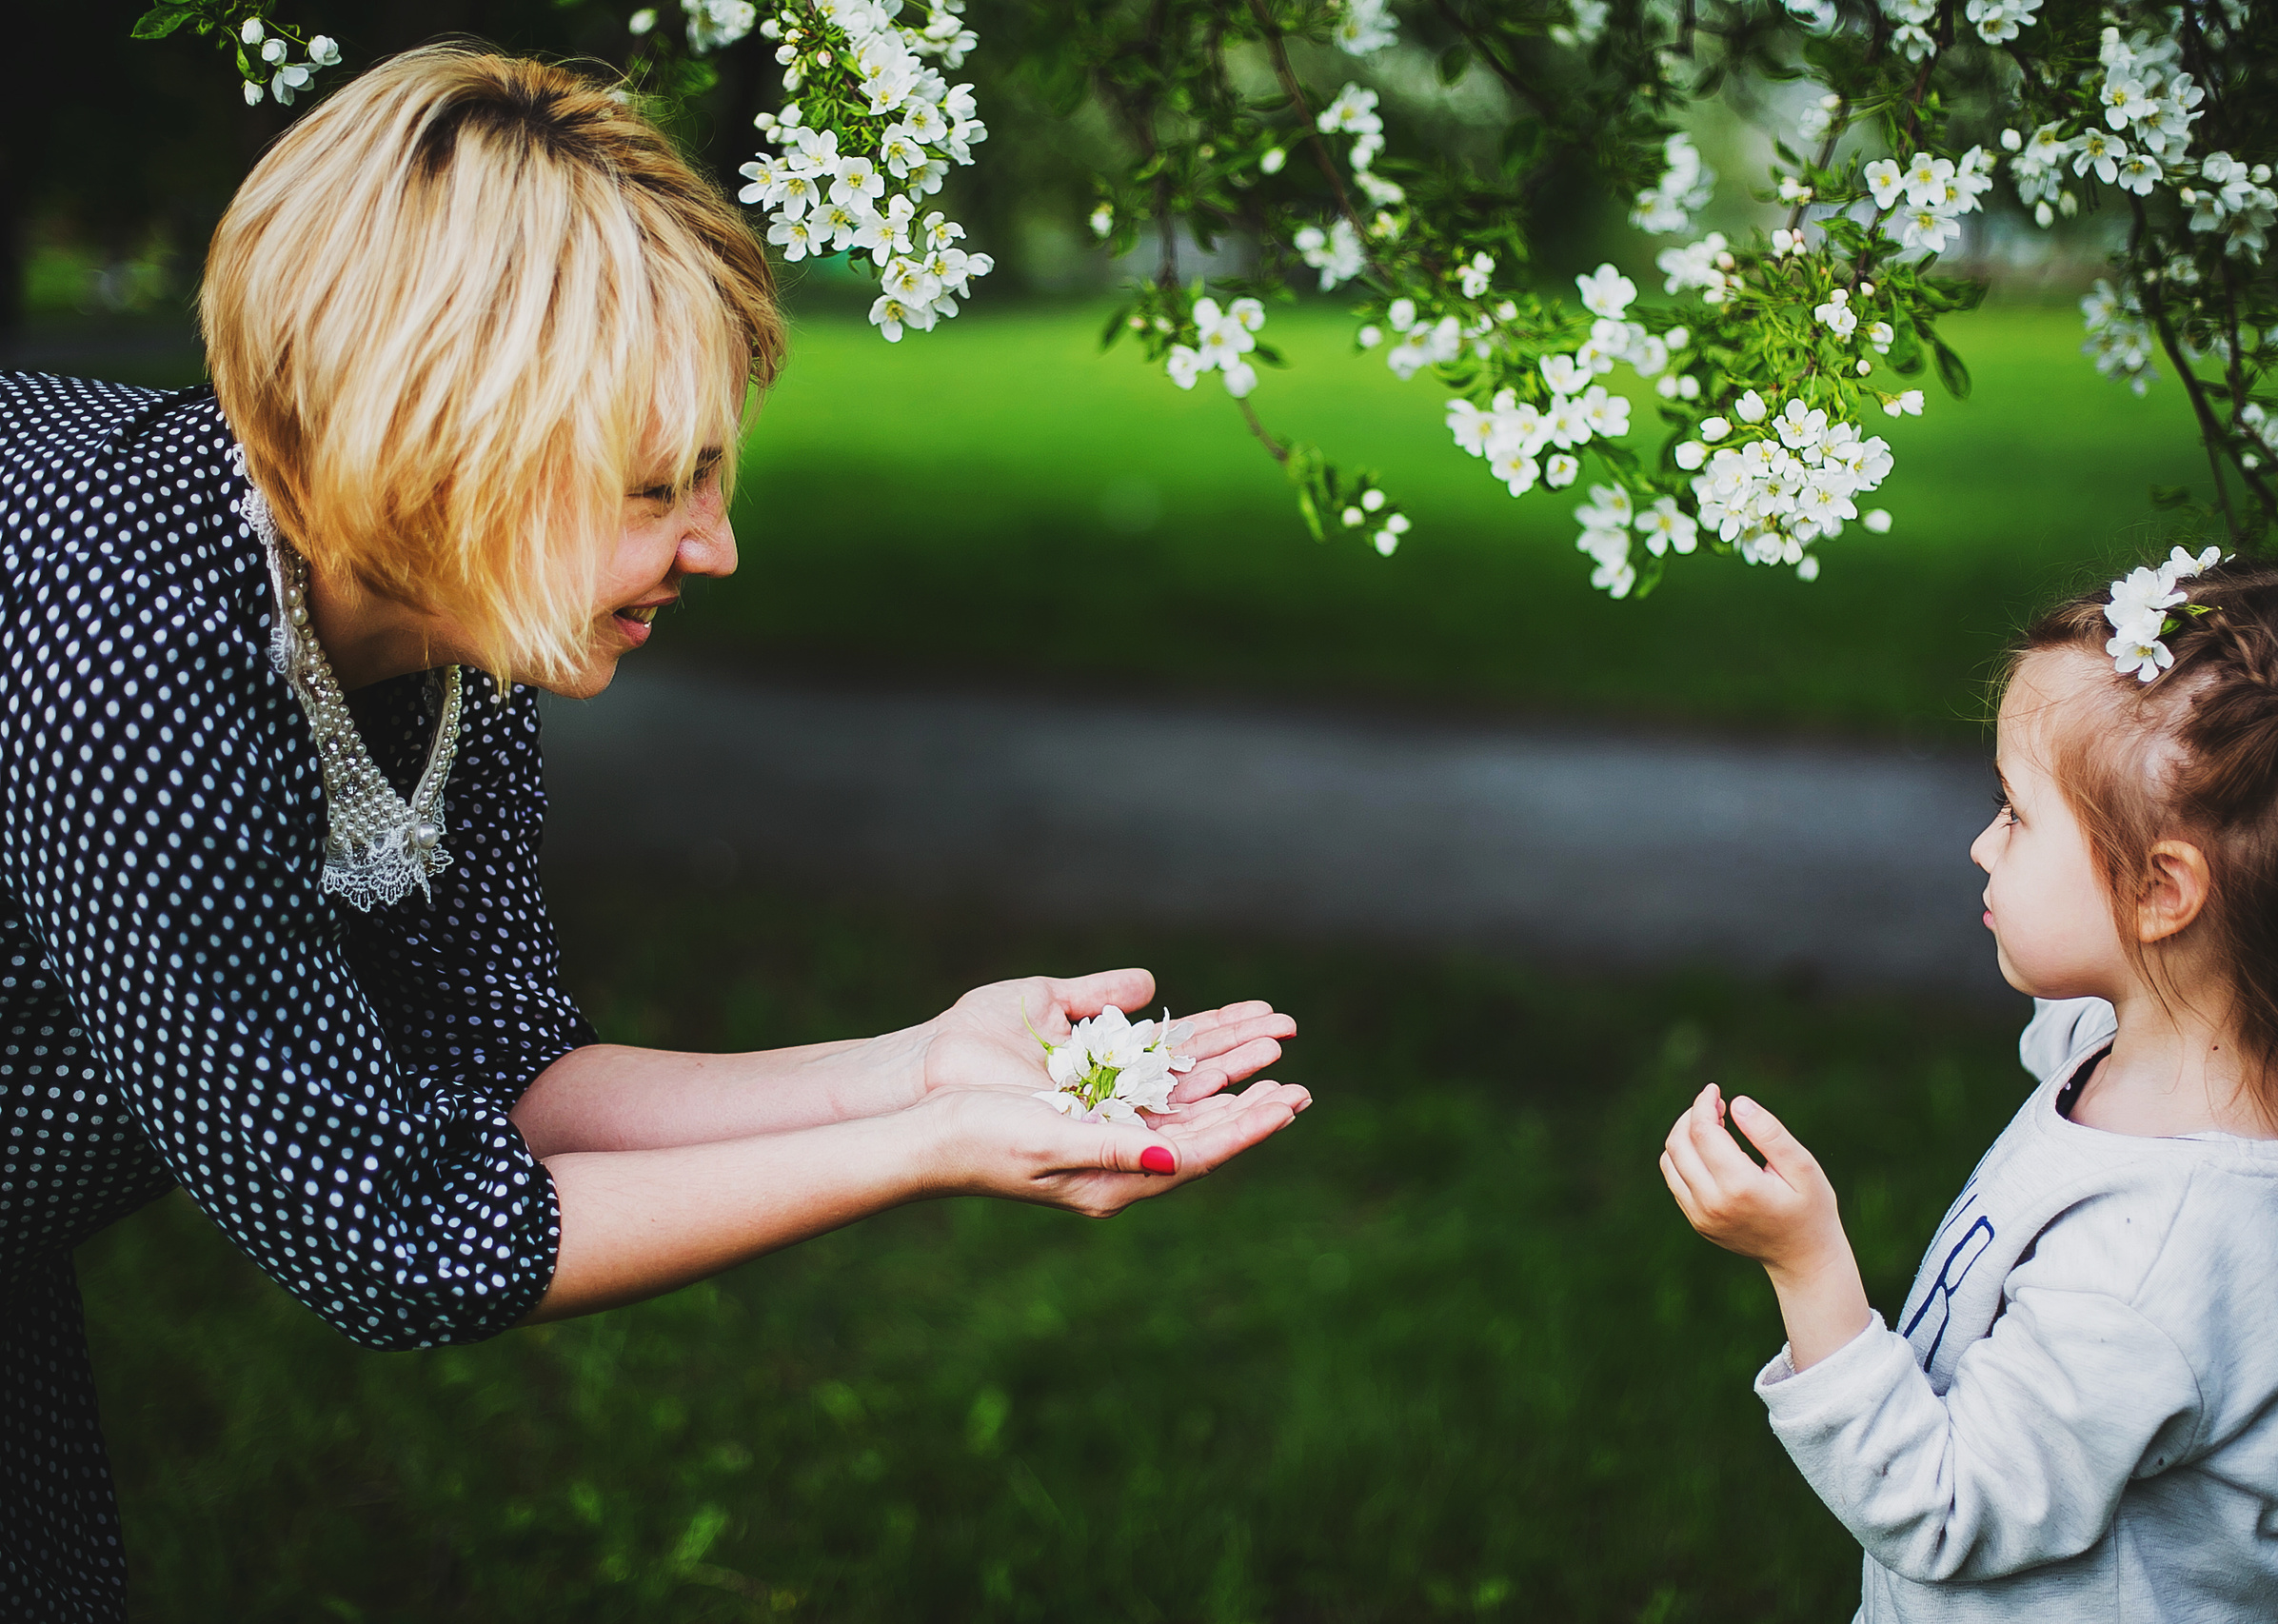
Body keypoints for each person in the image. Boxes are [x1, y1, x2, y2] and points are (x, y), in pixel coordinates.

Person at [0, 46, 1308, 1619]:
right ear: (434, 452)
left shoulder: (454, 621)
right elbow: (396, 1235)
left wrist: (930, 1068)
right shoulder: (130, 651)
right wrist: (924, 1151)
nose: (720, 546)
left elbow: (507, 1076)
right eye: (654, 489)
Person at [1659, 552, 2278, 1619]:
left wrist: (1805, 1259)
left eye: (2015, 814)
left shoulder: (2150, 1255)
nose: (1982, 845)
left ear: (2161, 890)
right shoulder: (2182, 1052)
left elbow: (1943, 1506)